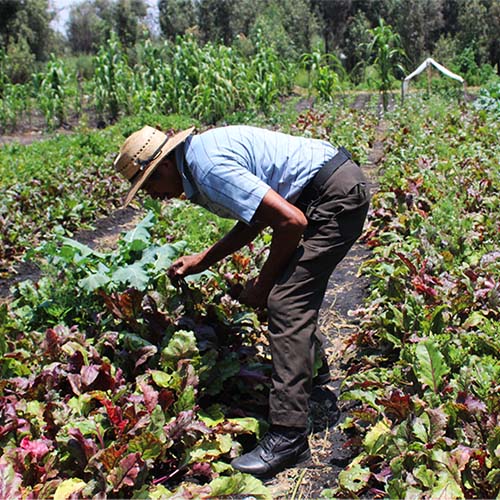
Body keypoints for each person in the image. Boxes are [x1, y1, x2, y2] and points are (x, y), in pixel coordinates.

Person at [114, 124, 370, 478]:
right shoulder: (199, 159)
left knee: (285, 301)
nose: (153, 196)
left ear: (166, 166)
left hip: (333, 198)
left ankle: (288, 436)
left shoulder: (207, 168)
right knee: (286, 292)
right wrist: (202, 259)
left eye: (150, 185)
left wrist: (262, 287)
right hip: (324, 190)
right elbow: (258, 215)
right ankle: (312, 371)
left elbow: (291, 222)